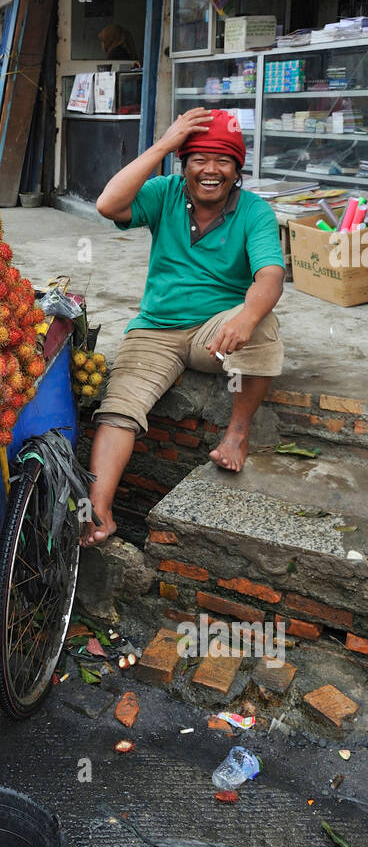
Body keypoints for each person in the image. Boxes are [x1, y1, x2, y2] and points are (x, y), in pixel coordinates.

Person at [83, 107, 285, 547]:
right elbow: (107, 204)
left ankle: (236, 435)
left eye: (223, 161)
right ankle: (99, 510)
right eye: (198, 159)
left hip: (213, 332)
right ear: (183, 163)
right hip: (155, 328)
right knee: (119, 408)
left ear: (237, 169)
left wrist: (246, 318)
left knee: (264, 325)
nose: (210, 170)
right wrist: (162, 144)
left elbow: (270, 275)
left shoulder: (254, 211)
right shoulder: (165, 193)